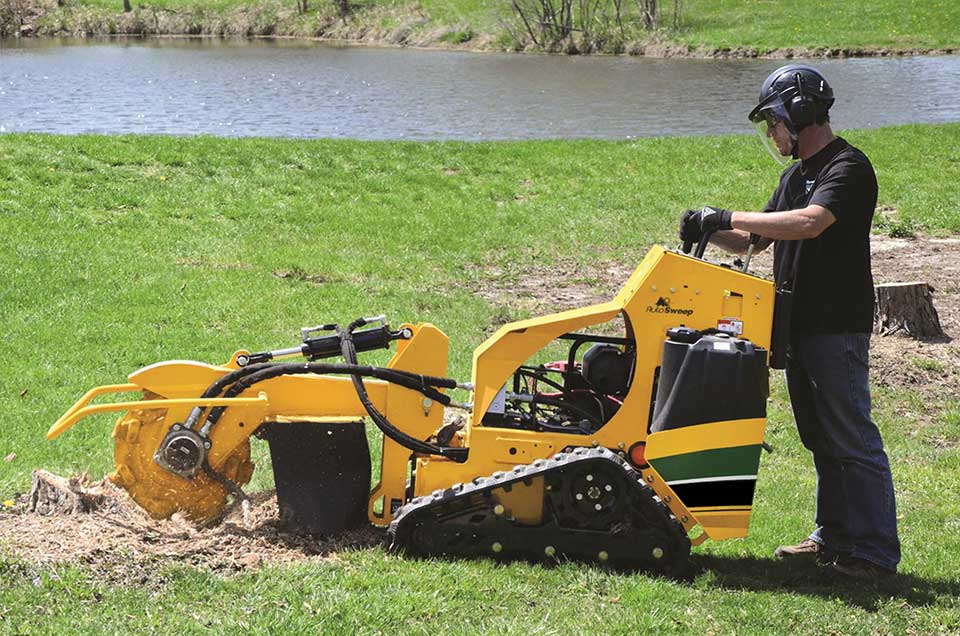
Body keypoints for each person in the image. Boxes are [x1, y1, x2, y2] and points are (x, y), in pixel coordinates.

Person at [678, 64, 901, 578]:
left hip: (836, 325)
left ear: (799, 114)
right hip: (796, 326)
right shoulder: (794, 176)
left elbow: (809, 223)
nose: (772, 133)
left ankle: (874, 552)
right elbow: (755, 239)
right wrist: (709, 227)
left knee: (851, 436)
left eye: (774, 122)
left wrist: (728, 215)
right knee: (820, 436)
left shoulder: (846, 167)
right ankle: (833, 537)